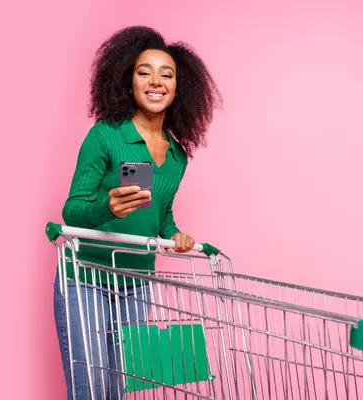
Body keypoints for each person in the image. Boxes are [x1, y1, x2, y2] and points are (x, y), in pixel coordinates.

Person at [53, 26, 221, 399]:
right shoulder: (105, 134)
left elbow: (162, 216)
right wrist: (106, 206)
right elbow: (72, 210)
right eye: (144, 71)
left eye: (167, 73)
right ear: (128, 82)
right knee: (93, 388)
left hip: (136, 284)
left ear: (179, 89)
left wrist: (175, 234)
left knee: (121, 387)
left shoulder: (177, 156)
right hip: (86, 279)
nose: (155, 81)